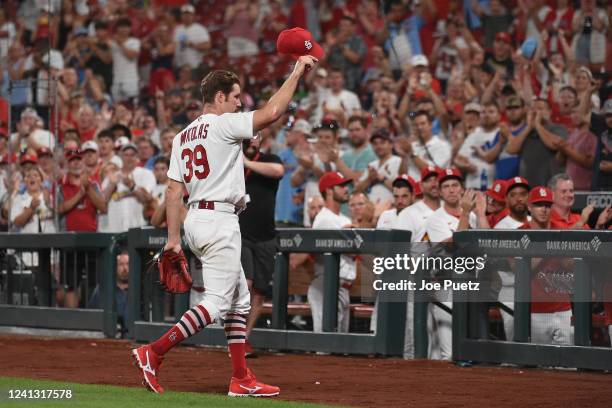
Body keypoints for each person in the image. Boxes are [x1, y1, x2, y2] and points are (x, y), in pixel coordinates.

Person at [131, 54, 318, 397]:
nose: (238, 103)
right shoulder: (222, 124)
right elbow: (272, 113)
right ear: (219, 97)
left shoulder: (182, 136)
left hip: (196, 219)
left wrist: (173, 239)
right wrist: (295, 74)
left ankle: (240, 377)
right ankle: (153, 352)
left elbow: (174, 191)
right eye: (234, 97)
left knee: (239, 301)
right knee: (216, 303)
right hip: (219, 219)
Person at [239, 135, 284, 352]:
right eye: (247, 139)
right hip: (240, 234)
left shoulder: (269, 158)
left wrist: (245, 163)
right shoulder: (230, 164)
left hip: (266, 236)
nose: (251, 142)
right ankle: (236, 336)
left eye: (254, 138)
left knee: (259, 290)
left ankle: (244, 338)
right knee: (245, 284)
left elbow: (278, 171)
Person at [519, 186, 572, 345]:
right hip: (536, 309)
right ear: (529, 207)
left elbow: (570, 266)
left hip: (563, 306)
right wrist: (548, 244)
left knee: (567, 361)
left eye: (547, 205)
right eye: (539, 205)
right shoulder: (520, 233)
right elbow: (521, 270)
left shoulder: (561, 231)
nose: (544, 209)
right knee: (539, 364)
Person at [309, 171, 354, 333]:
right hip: (327, 286)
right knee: (325, 344)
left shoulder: (344, 219)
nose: (346, 189)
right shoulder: (324, 218)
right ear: (329, 190)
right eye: (341, 186)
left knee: (339, 346)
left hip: (343, 287)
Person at [493, 176, 531, 342]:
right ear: (507, 199)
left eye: (523, 193)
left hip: (535, 289)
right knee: (515, 340)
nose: (519, 198)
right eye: (514, 195)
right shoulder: (501, 228)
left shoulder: (535, 222)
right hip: (510, 290)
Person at [87, 251, 130, 338]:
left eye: (127, 264)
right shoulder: (103, 289)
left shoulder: (139, 289)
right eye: (121, 264)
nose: (125, 268)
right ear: (114, 267)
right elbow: (91, 316)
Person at [354, 129, 401, 205]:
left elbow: (402, 190)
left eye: (382, 143)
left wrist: (382, 179)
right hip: (372, 209)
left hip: (390, 208)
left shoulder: (398, 161)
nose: (378, 146)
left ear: (391, 144)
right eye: (375, 143)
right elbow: (356, 191)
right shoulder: (372, 165)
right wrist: (369, 179)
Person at [395, 166, 441, 242]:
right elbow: (399, 248)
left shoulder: (450, 210)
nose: (434, 184)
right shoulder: (407, 214)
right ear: (421, 186)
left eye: (436, 180)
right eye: (428, 180)